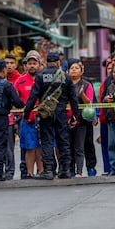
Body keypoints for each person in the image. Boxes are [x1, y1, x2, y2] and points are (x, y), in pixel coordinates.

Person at [24, 52, 79, 180]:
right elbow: (73, 99)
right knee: (63, 141)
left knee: (47, 141)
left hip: (46, 113)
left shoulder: (40, 76)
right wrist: (75, 116)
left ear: (46, 62)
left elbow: (33, 97)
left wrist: (27, 113)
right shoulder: (66, 77)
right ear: (58, 62)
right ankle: (65, 169)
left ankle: (48, 170)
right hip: (61, 113)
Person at [14, 52, 43, 178]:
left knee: (41, 147)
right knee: (29, 147)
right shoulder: (20, 81)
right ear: (25, 65)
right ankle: (29, 172)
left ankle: (41, 171)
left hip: (42, 119)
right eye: (29, 63)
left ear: (39, 65)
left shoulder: (43, 79)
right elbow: (14, 98)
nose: (32, 66)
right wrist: (19, 114)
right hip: (26, 120)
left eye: (34, 63)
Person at [67, 59, 96, 178]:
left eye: (76, 68)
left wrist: (81, 94)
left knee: (79, 147)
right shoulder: (65, 84)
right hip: (67, 120)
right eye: (71, 68)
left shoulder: (86, 84)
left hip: (82, 121)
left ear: (81, 71)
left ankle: (79, 171)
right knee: (68, 147)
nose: (74, 70)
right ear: (67, 71)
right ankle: (70, 170)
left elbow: (89, 102)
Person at [4, 54, 21, 180]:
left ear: (15, 65)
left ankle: (26, 171)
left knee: (26, 146)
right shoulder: (1, 79)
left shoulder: (20, 79)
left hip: (22, 117)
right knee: (7, 147)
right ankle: (9, 172)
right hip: (5, 119)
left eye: (11, 63)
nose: (9, 65)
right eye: (7, 63)